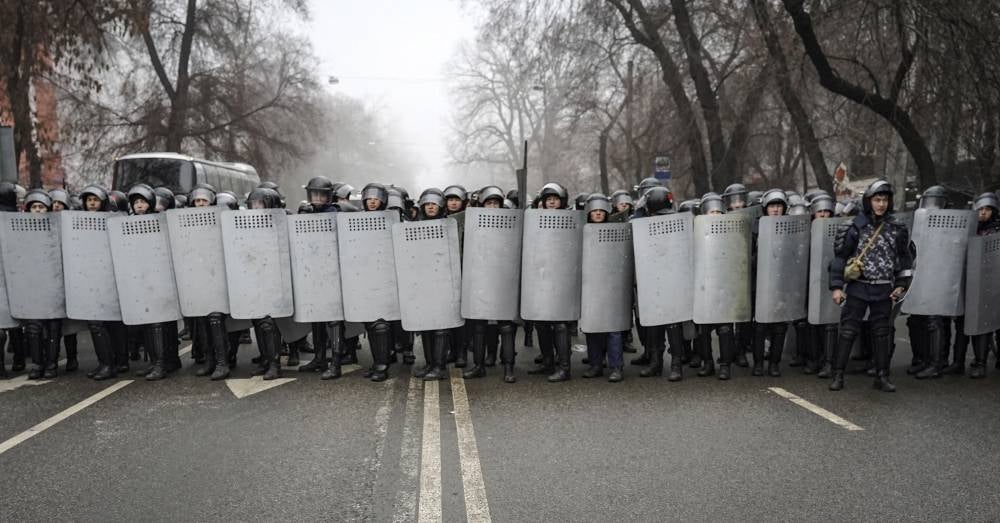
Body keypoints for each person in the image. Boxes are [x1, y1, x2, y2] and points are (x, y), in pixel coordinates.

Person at [829, 180, 913, 392]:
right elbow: (840, 258)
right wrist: (837, 287)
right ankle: (837, 375)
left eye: (885, 200)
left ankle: (882, 376)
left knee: (882, 333)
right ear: (869, 201)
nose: (881, 204)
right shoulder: (854, 227)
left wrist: (902, 284)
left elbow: (904, 259)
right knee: (848, 331)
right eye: (877, 199)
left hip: (884, 288)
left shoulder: (897, 229)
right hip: (859, 286)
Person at [632, 186, 687, 381]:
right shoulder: (643, 224)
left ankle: (676, 364)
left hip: (670, 278)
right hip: (651, 278)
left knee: (672, 323)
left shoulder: (677, 223)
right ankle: (656, 363)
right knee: (654, 323)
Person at [580, 194, 626, 382]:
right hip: (590, 286)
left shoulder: (617, 231)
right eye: (595, 211)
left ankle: (616, 366)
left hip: (611, 285)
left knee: (613, 329)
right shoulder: (582, 231)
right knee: (593, 328)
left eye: (601, 211)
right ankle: (596, 364)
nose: (598, 214)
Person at [692, 193, 737, 380]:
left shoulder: (731, 232)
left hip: (724, 288)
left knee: (725, 329)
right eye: (712, 211)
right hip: (703, 288)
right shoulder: (695, 234)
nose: (716, 215)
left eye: (719, 211)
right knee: (703, 330)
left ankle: (725, 364)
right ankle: (707, 362)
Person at [21, 190, 63, 380]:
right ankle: (37, 364)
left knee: (53, 326)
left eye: (41, 207)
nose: (37, 210)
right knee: (33, 327)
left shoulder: (58, 229)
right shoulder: (19, 230)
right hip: (31, 285)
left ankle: (51, 364)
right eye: (34, 207)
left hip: (53, 284)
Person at [752, 189, 792, 377]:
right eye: (772, 206)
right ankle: (758, 362)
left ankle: (774, 363)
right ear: (765, 208)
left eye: (779, 206)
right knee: (760, 325)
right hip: (760, 284)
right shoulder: (756, 228)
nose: (775, 210)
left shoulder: (791, 228)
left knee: (780, 326)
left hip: (783, 283)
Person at [965, 192, 1000, 378]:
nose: (983, 213)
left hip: (996, 281)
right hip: (978, 283)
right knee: (981, 324)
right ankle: (980, 362)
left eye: (987, 209)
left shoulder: (997, 231)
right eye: (981, 209)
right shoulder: (971, 230)